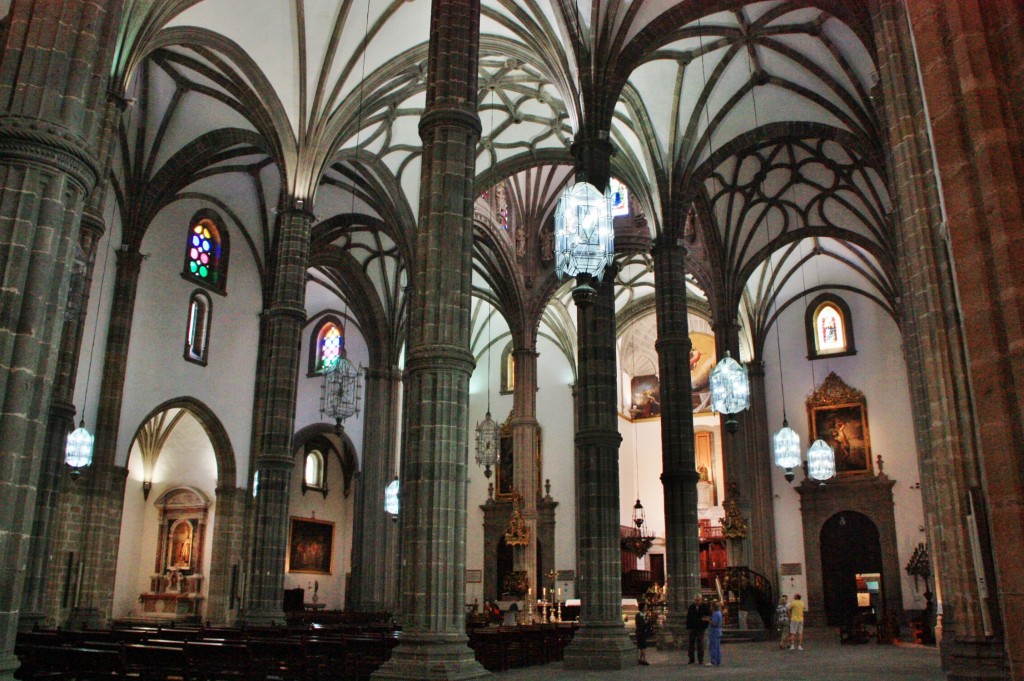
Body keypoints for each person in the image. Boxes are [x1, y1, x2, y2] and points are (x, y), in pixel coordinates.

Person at [685, 594, 711, 664]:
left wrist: (704, 624)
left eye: (698, 600)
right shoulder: (692, 607)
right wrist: (688, 627)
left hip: (700, 627)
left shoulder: (704, 607)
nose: (697, 602)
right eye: (695, 600)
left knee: (700, 644)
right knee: (691, 644)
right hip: (692, 627)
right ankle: (691, 658)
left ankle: (700, 659)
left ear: (701, 600)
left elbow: (708, 616)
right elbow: (688, 617)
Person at [707, 601, 723, 666]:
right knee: (717, 647)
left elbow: (714, 623)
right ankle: (717, 660)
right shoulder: (719, 613)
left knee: (713, 647)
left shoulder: (715, 614)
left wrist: (708, 620)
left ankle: (713, 661)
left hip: (714, 632)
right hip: (718, 632)